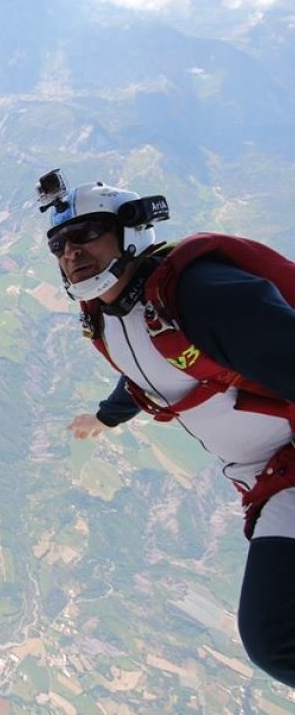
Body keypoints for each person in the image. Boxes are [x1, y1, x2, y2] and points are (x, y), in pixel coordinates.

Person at [37, 169, 295, 687]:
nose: (70, 252)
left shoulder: (203, 295)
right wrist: (106, 418)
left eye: (86, 233)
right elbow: (148, 372)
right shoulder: (108, 315)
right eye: (59, 243)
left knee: (274, 636)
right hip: (271, 480)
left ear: (131, 230)